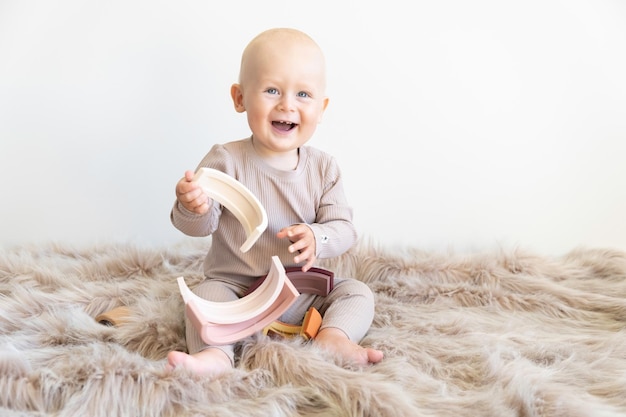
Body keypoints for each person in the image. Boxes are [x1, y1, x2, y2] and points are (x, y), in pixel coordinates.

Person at [166, 27, 384, 378]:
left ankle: (332, 336)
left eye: (303, 94)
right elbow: (198, 227)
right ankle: (216, 358)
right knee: (204, 298)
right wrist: (193, 206)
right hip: (236, 290)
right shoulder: (226, 160)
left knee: (357, 292)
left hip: (300, 291)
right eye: (271, 90)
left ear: (321, 107)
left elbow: (345, 230)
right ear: (240, 98)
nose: (287, 104)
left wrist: (318, 237)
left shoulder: (323, 168)